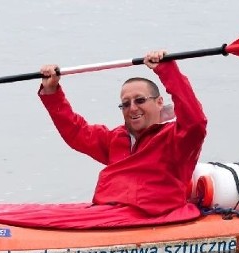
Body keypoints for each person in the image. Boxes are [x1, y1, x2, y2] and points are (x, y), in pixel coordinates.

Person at [38, 50, 207, 221]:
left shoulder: (177, 139)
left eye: (140, 100)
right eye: (125, 104)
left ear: (159, 102)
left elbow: (196, 121)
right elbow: (76, 132)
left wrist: (168, 71)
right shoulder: (115, 138)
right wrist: (52, 91)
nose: (132, 108)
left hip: (151, 219)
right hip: (106, 214)